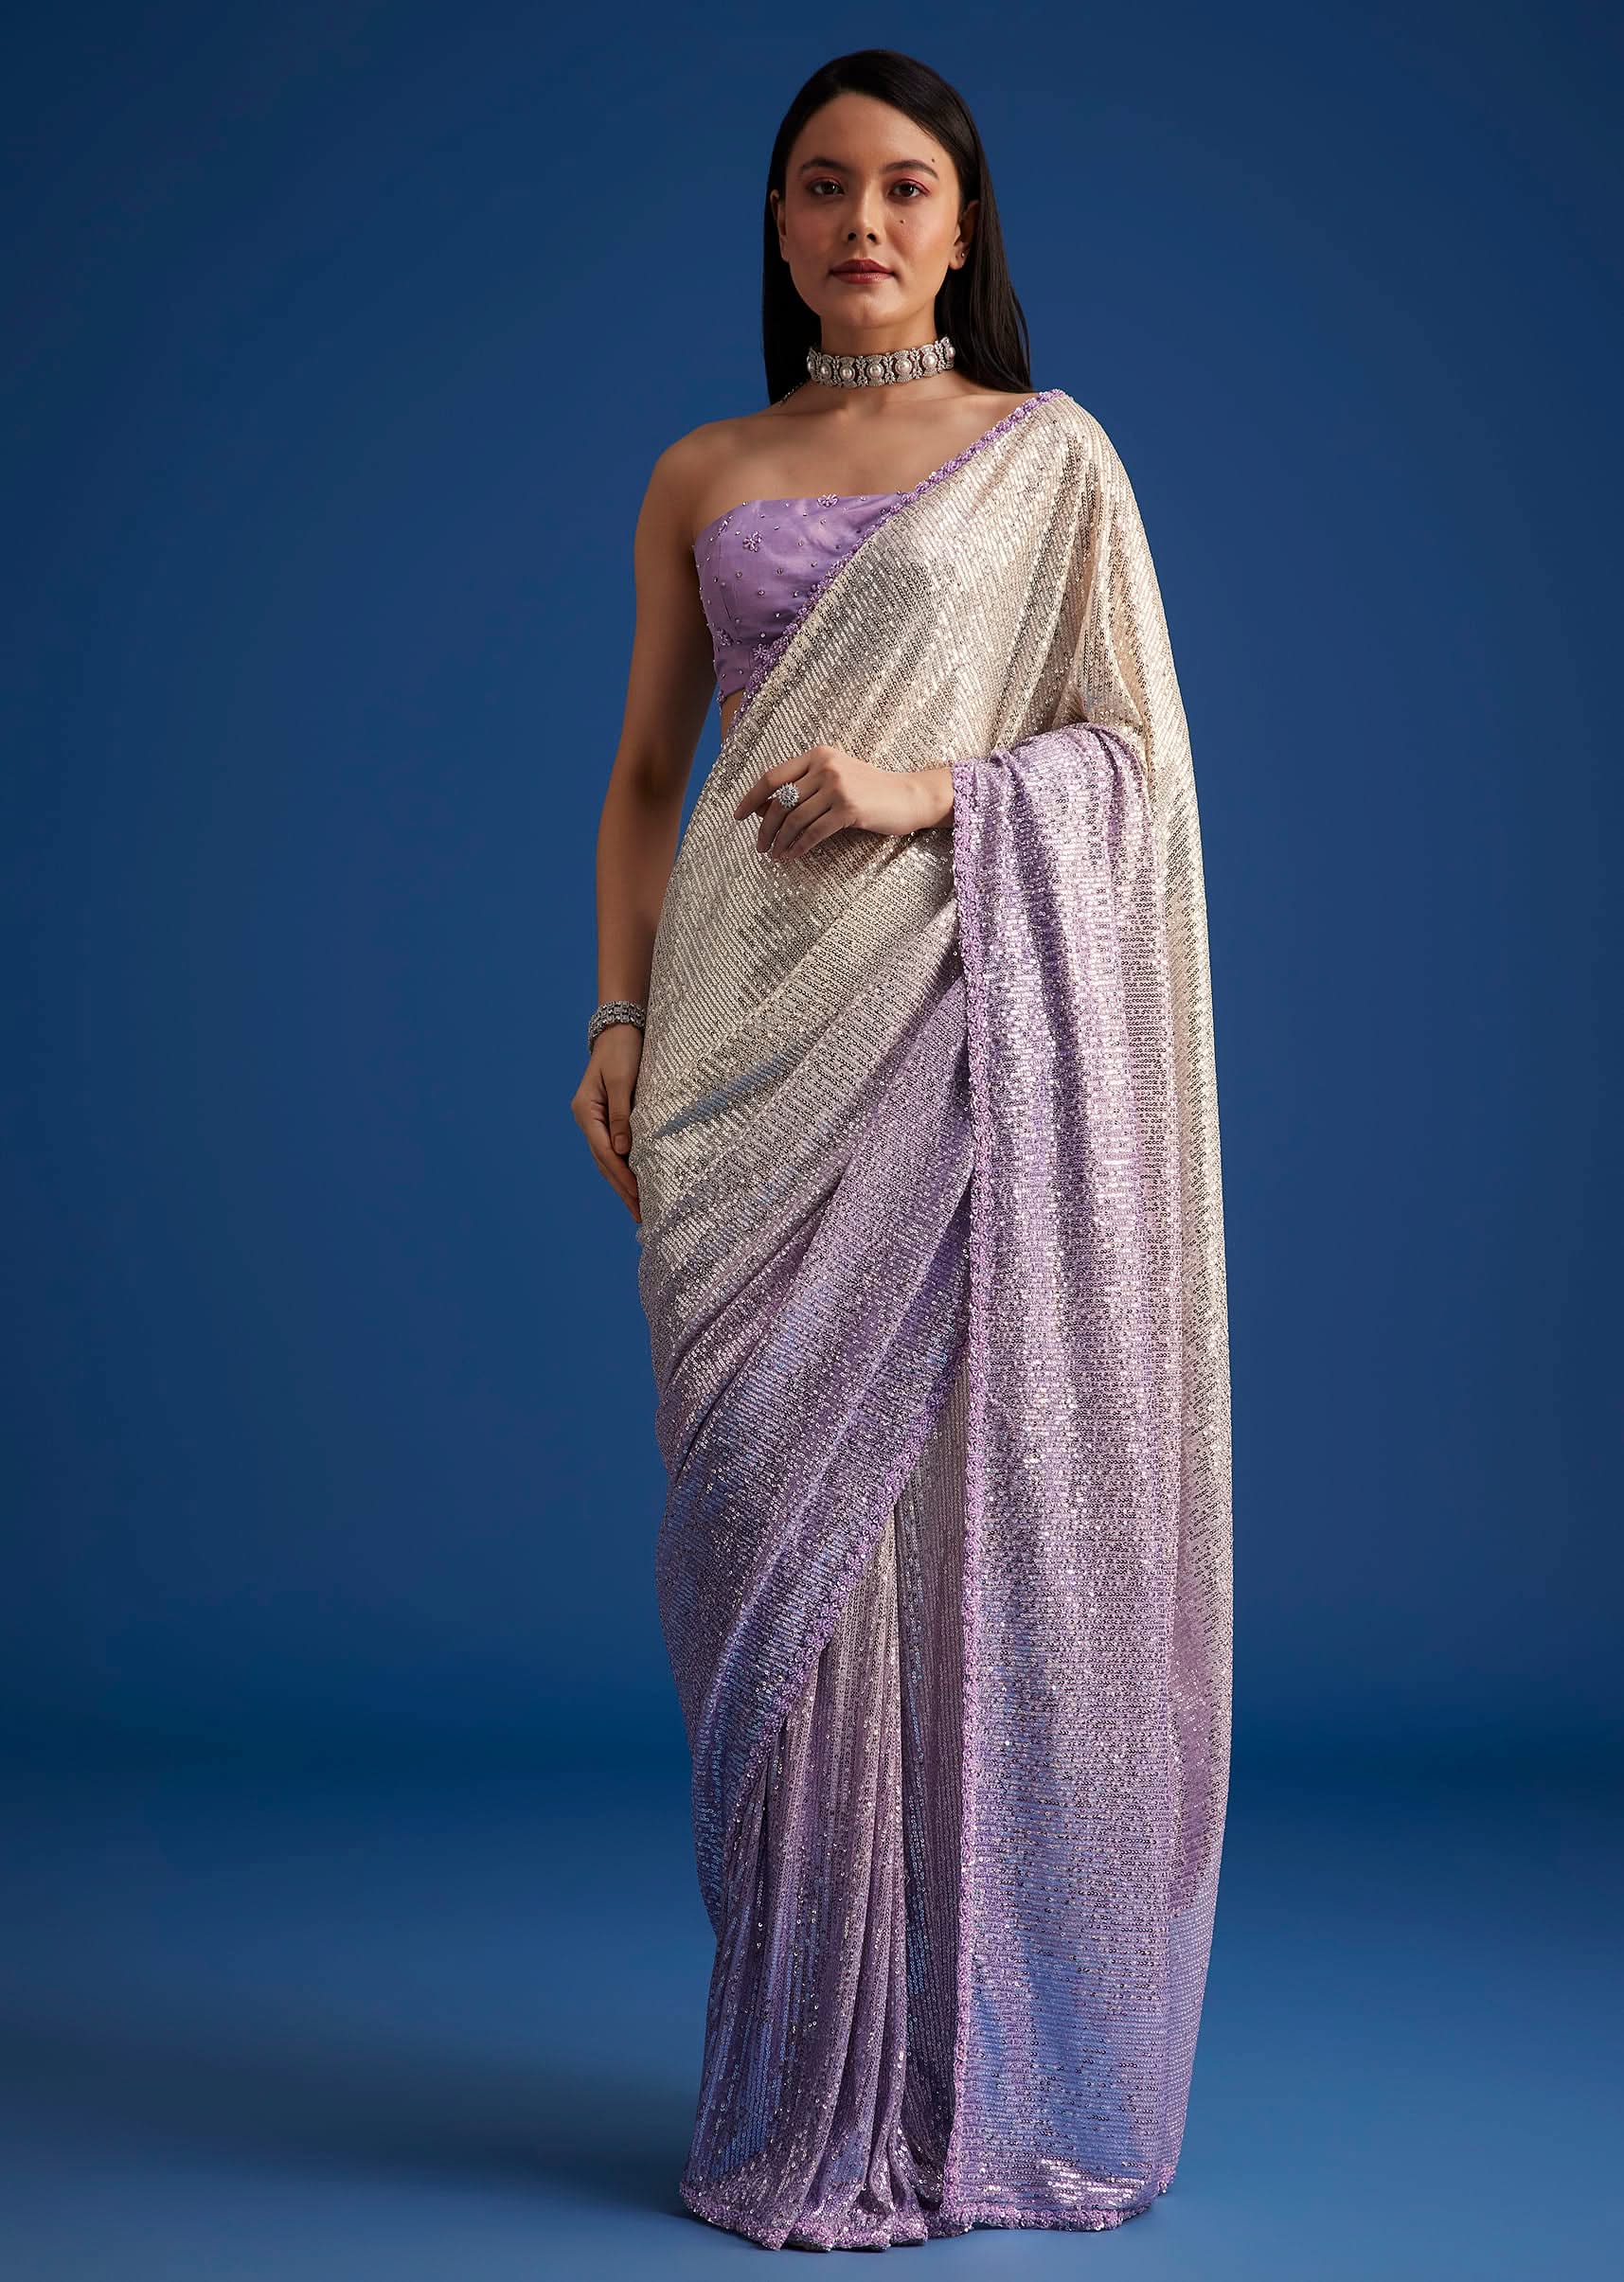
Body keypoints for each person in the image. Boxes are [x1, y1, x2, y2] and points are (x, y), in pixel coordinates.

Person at [572, 45, 1234, 2255]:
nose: (862, 220)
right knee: (768, 1554)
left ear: (963, 229)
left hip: (953, 1046)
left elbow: (1133, 765)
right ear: (778, 229)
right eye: (821, 186)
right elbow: (646, 775)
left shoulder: (1049, 462)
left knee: (935, 1549)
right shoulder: (704, 469)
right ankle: (795, 2072)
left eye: (906, 186)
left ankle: (949, 2079)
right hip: (733, 1064)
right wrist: (614, 1015)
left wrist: (932, 789)